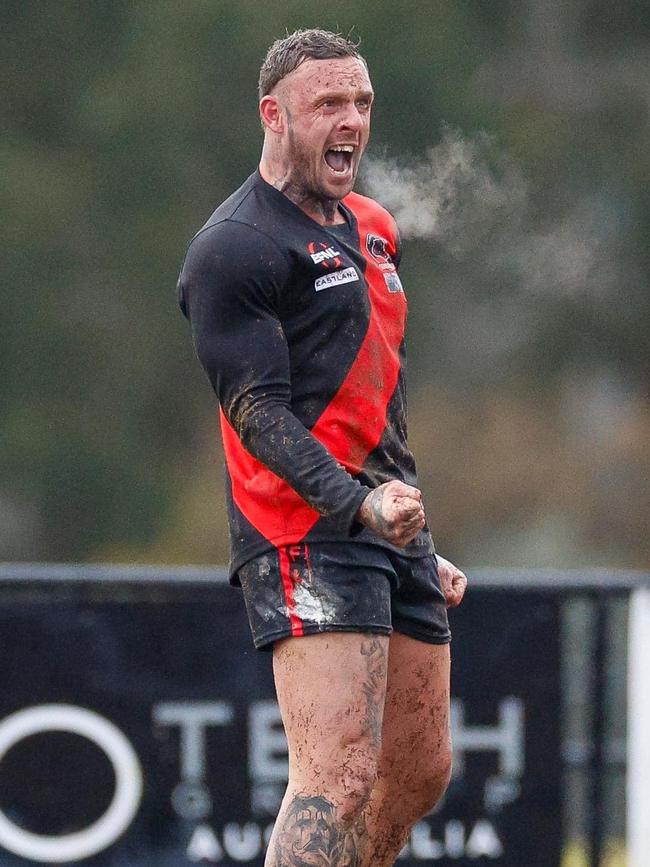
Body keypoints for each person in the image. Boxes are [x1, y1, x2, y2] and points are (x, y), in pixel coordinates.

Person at [178, 28, 467, 867]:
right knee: (335, 773)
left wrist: (419, 533)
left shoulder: (374, 228)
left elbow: (379, 398)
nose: (351, 121)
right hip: (304, 527)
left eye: (362, 103)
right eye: (328, 104)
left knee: (418, 774)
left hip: (388, 527)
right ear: (274, 115)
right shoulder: (235, 246)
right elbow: (256, 411)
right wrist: (359, 503)